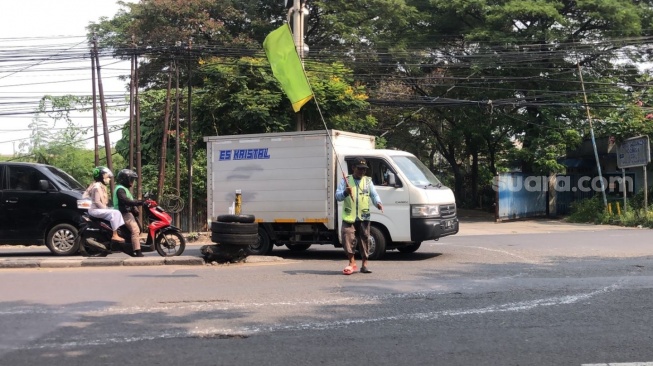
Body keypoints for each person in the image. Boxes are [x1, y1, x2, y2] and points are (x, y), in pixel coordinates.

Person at [335, 157, 383, 275]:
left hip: (364, 216)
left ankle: (364, 265)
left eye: (364, 169)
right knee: (347, 239)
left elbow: (374, 195)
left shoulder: (368, 181)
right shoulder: (345, 181)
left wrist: (378, 203)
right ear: (353, 168)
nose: (362, 171)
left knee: (364, 240)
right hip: (349, 216)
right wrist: (345, 192)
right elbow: (338, 196)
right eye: (359, 169)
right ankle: (352, 262)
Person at [84, 166, 125, 243]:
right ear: (101, 176)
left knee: (115, 211)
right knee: (116, 213)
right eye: (107, 177)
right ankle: (115, 235)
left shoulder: (99, 186)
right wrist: (106, 208)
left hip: (97, 209)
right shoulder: (97, 187)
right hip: (95, 210)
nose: (109, 179)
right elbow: (97, 201)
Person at [113, 169, 146, 257]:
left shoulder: (124, 189)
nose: (132, 182)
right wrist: (139, 202)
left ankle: (131, 247)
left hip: (126, 212)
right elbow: (125, 200)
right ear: (125, 179)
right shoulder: (120, 189)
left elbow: (129, 201)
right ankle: (137, 251)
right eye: (131, 179)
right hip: (123, 213)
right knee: (135, 230)